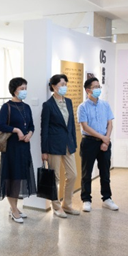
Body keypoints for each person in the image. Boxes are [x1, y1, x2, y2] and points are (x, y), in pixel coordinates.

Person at [0, 77, 36, 223]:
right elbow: (1, 125)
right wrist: (16, 130)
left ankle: (15, 206)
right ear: (14, 90)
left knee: (19, 177)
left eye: (25, 88)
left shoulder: (26, 107)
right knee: (11, 177)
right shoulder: (6, 107)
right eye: (22, 88)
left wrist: (29, 134)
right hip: (11, 147)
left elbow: (31, 125)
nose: (24, 91)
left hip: (24, 147)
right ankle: (13, 209)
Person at [41, 74, 80, 218]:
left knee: (73, 175)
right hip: (53, 145)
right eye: (61, 84)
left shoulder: (68, 102)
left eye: (65, 84)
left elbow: (71, 125)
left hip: (68, 145)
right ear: (53, 86)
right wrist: (44, 150)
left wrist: (74, 143)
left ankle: (67, 204)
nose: (64, 87)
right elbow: (44, 129)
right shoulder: (48, 105)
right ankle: (56, 206)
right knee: (55, 178)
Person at [77, 77, 118, 212]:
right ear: (88, 90)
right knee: (86, 172)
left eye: (99, 86)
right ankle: (86, 199)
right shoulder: (82, 107)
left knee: (105, 172)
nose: (98, 89)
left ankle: (107, 198)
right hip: (89, 142)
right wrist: (103, 138)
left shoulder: (105, 105)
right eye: (95, 87)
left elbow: (109, 123)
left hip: (105, 141)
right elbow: (85, 127)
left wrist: (106, 139)